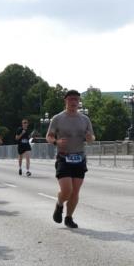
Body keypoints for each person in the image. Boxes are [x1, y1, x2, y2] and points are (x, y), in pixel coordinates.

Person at [46, 90, 95, 228]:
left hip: (79, 157)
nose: (74, 102)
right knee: (67, 189)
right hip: (64, 157)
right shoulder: (58, 118)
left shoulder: (85, 119)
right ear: (65, 101)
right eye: (71, 99)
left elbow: (92, 137)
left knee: (75, 191)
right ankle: (59, 204)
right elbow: (49, 136)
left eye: (77, 100)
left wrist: (90, 138)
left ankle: (69, 217)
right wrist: (56, 142)